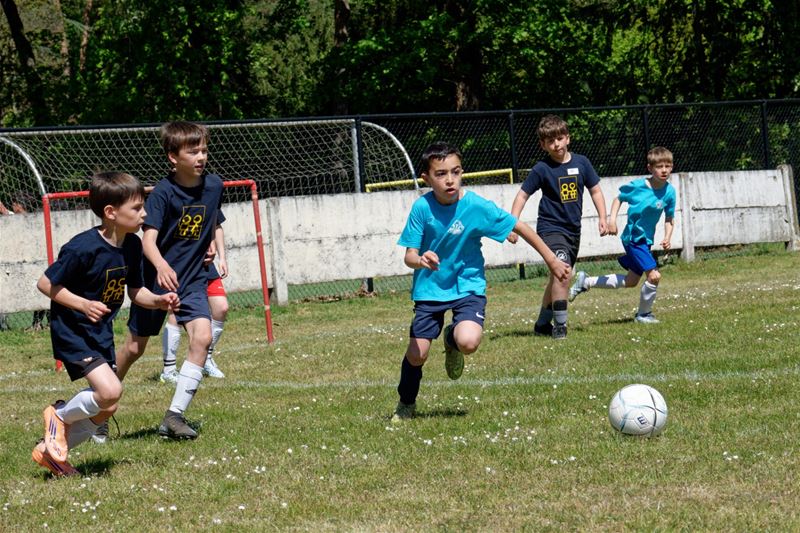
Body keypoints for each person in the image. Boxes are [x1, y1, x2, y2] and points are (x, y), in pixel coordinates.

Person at [391, 141, 571, 421]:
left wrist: (551, 259)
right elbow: (409, 256)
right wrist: (421, 260)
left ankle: (452, 340)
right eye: (440, 174)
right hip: (429, 289)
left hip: (468, 286)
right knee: (417, 355)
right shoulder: (421, 209)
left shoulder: (475, 205)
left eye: (455, 172)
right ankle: (406, 403)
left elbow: (518, 225)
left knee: (469, 341)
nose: (450, 180)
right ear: (426, 178)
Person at [33, 172, 179, 476]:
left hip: (99, 333)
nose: (145, 214)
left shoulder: (133, 246)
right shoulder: (82, 248)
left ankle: (52, 454)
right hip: (73, 331)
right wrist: (83, 304)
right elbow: (46, 283)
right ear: (111, 213)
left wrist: (159, 300)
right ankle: (58, 415)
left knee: (107, 407)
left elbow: (136, 292)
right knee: (110, 391)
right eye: (137, 208)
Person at [110, 120, 225, 440]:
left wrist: (211, 244)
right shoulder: (163, 193)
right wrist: (160, 265)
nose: (201, 156)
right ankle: (99, 409)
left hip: (191, 279)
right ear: (173, 157)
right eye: (193, 151)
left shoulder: (214, 186)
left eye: (203, 150)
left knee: (201, 337)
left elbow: (209, 222)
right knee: (134, 348)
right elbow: (148, 240)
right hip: (155, 281)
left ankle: (173, 417)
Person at [507, 114, 608, 340]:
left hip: (573, 231)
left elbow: (596, 191)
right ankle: (560, 329)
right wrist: (511, 225)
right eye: (551, 141)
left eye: (560, 138)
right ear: (543, 145)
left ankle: (542, 324)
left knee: (558, 276)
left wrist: (603, 217)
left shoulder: (582, 163)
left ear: (568, 138)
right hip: (550, 230)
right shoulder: (542, 169)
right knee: (563, 273)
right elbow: (522, 196)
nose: (556, 144)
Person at [568, 146, 676, 323]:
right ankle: (643, 314)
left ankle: (585, 282)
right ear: (650, 168)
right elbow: (619, 198)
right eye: (659, 166)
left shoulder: (670, 192)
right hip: (634, 239)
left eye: (667, 166)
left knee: (631, 280)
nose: (664, 170)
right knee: (654, 276)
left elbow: (669, 218)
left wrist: (667, 237)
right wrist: (612, 220)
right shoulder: (638, 187)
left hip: (646, 241)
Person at [160, 244, 229, 384]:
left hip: (205, 263)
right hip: (182, 263)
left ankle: (206, 359)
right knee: (176, 310)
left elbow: (217, 225)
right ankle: (169, 370)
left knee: (221, 307)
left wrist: (222, 257)